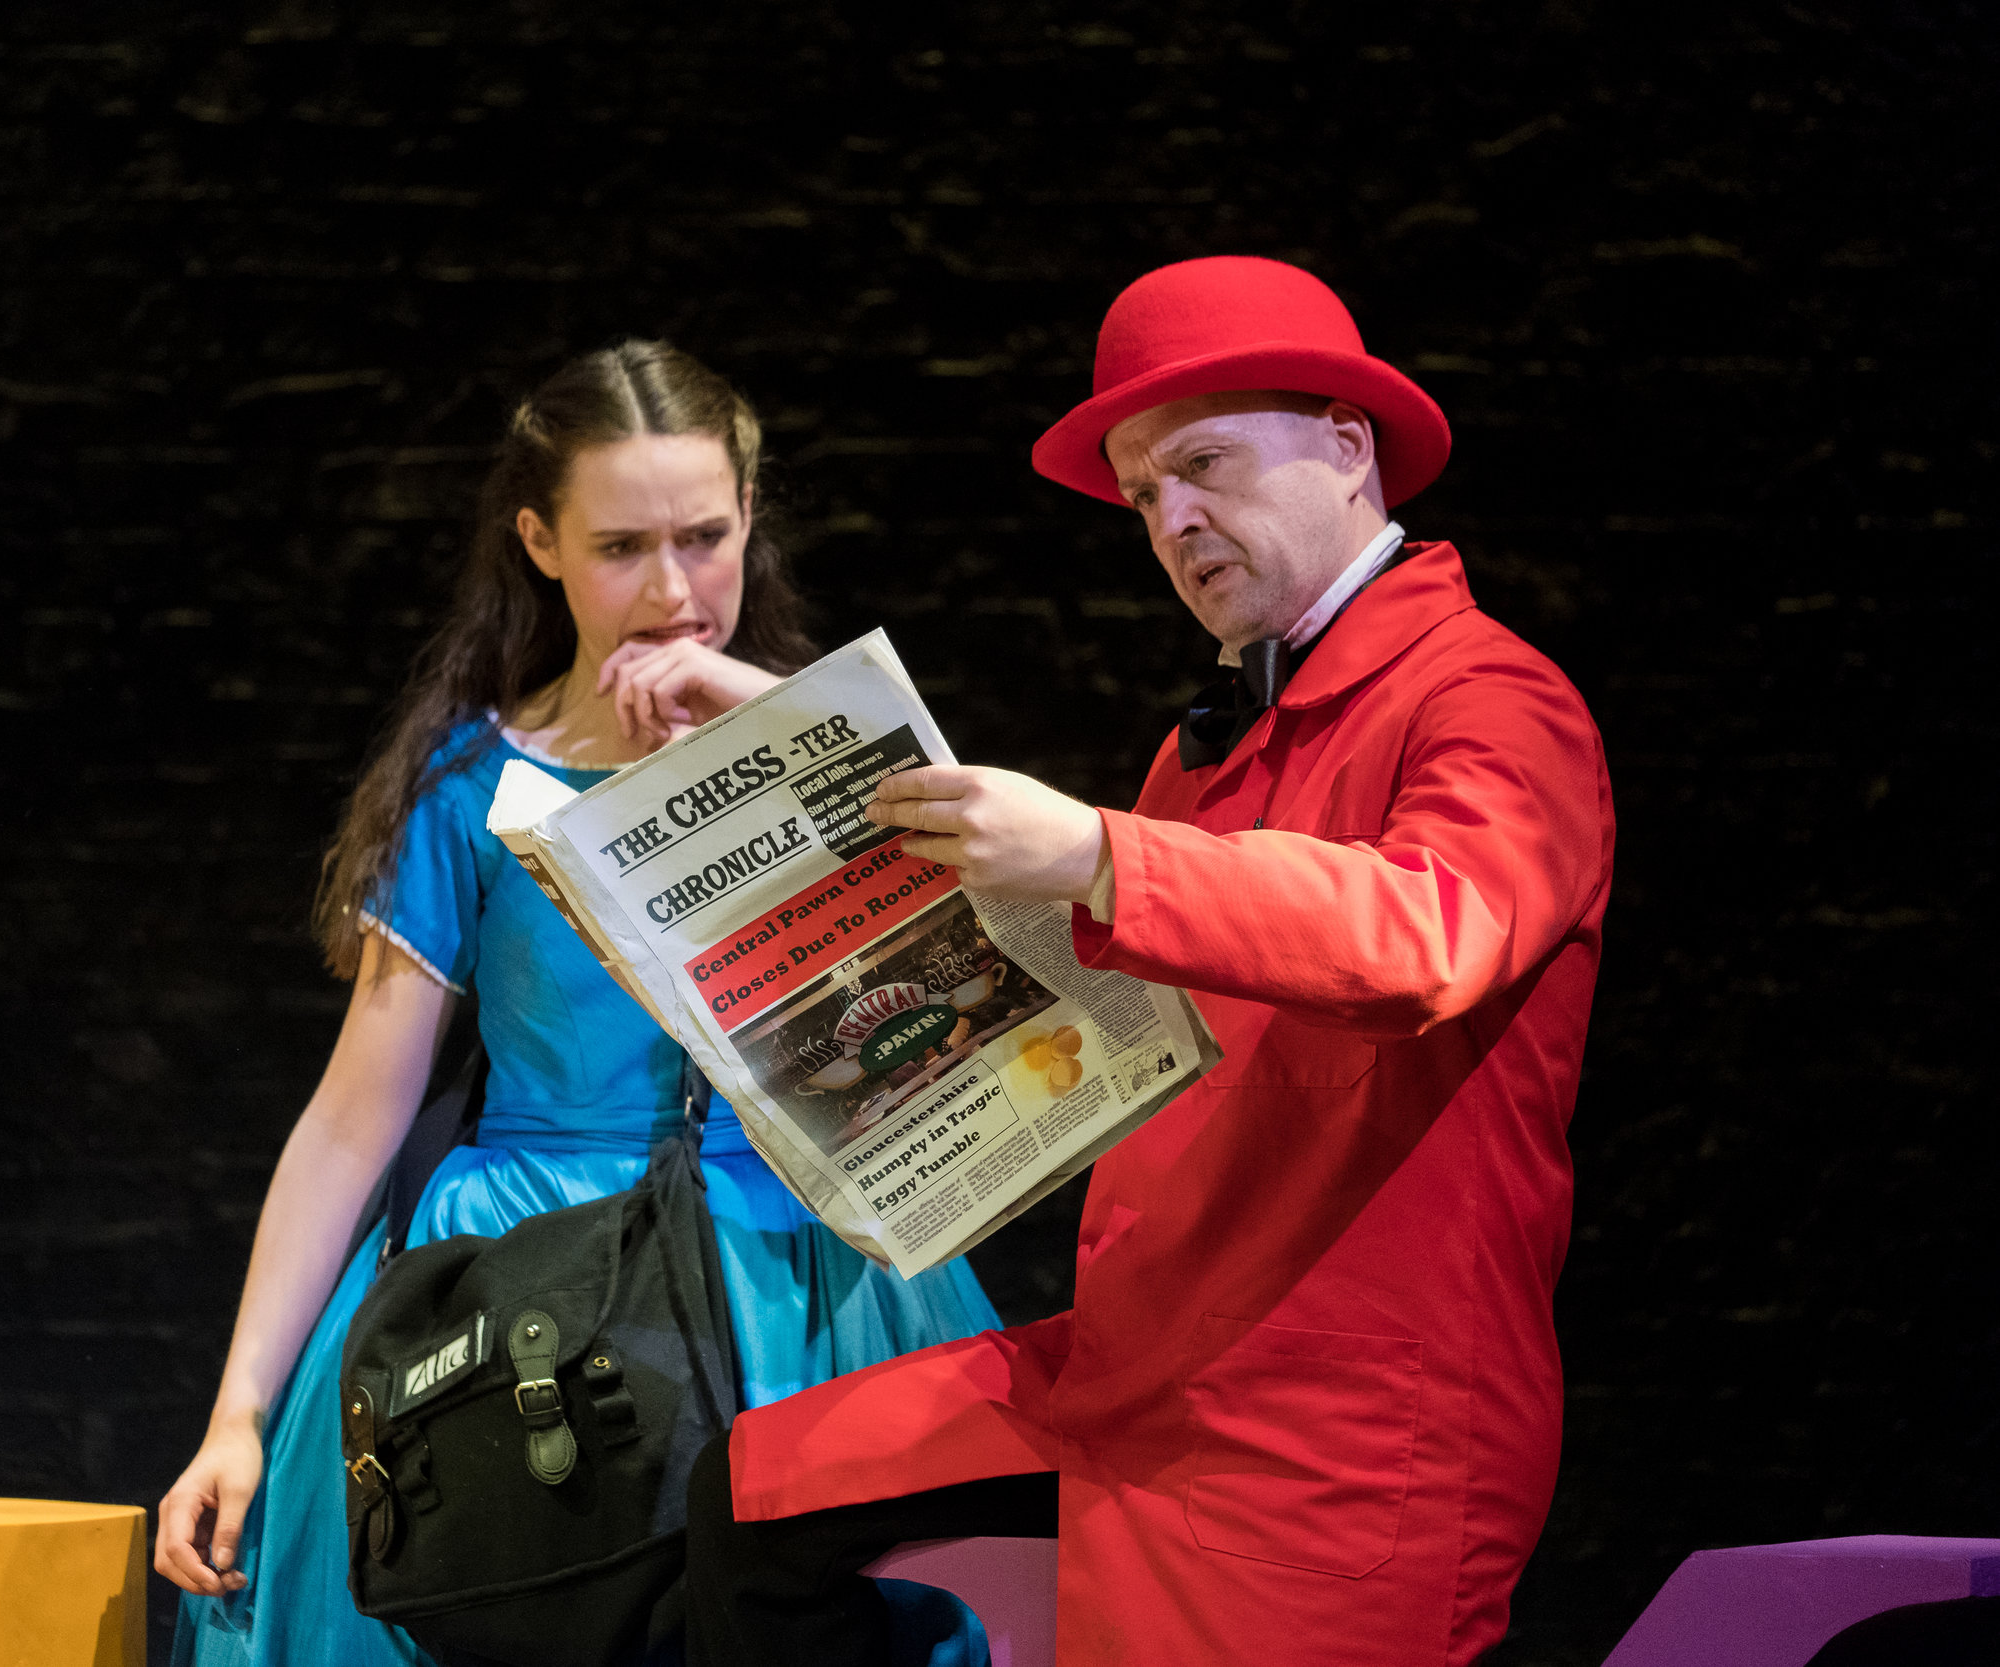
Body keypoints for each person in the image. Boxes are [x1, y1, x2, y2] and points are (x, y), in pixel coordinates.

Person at [687, 256, 1617, 1666]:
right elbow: (1113, 995)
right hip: (1140, 1372)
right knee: (754, 1496)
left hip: (1331, 1424)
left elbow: (1430, 931)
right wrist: (813, 796)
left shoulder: (1491, 696)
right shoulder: (1222, 741)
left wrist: (1098, 857)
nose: (1173, 522)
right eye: (1141, 497)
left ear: (1349, 449)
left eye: (1202, 465)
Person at [153, 340, 1003, 1667]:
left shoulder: (823, 740)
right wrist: (239, 1410)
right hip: (540, 1272)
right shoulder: (476, 787)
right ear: (540, 541)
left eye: (705, 537)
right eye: (622, 548)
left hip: (802, 1264)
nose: (672, 592)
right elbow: (351, 1117)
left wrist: (775, 728)